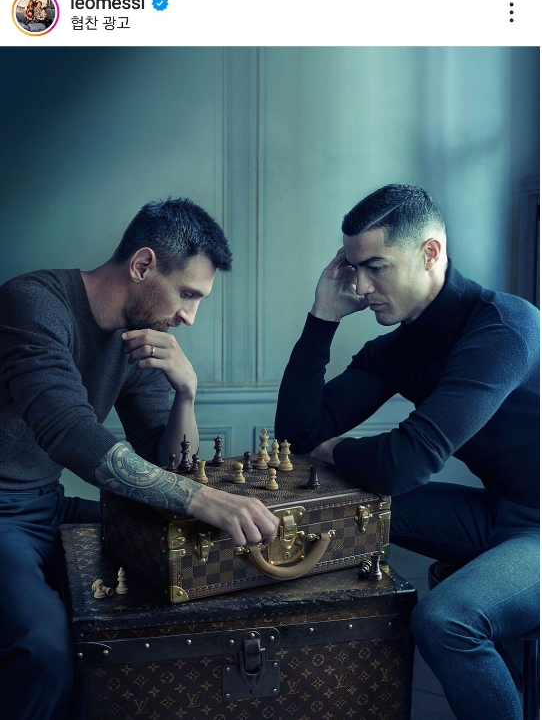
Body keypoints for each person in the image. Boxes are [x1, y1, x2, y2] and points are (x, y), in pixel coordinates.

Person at [0, 197, 279, 720]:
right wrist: (201, 498)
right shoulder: (32, 303)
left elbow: (166, 460)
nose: (189, 317)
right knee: (43, 649)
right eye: (187, 294)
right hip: (3, 515)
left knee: (182, 557)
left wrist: (186, 395)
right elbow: (68, 432)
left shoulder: (142, 339)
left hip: (48, 506)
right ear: (143, 265)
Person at [275, 184, 539, 720]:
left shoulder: (506, 328)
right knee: (338, 509)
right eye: (354, 269)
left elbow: (405, 464)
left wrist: (336, 448)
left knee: (444, 620)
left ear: (430, 253)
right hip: (504, 512)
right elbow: (297, 434)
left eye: (376, 267)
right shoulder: (396, 350)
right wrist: (322, 318)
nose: (361, 286)